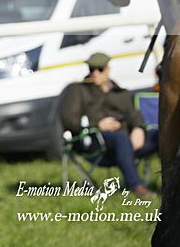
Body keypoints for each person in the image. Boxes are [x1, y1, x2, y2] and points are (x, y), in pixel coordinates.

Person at [59, 52, 158, 198]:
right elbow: (69, 120)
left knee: (160, 135)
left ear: (107, 69)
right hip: (94, 141)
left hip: (128, 142)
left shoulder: (119, 92)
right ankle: (136, 186)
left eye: (99, 69)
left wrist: (138, 128)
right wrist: (97, 124)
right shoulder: (77, 89)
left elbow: (134, 114)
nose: (95, 73)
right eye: (91, 69)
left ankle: (174, 183)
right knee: (120, 138)